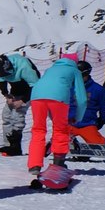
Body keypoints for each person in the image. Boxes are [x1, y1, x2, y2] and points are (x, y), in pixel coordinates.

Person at [25, 54, 88, 185]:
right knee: (60, 130)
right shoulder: (75, 70)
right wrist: (78, 118)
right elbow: (81, 99)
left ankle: (34, 165)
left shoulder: (50, 69)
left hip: (36, 96)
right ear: (75, 62)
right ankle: (58, 164)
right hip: (59, 98)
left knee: (38, 130)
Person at [0, 53, 41, 155]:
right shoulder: (1, 69)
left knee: (17, 115)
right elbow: (1, 82)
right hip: (15, 89)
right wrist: (6, 95)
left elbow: (36, 86)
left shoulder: (24, 66)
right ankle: (8, 145)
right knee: (6, 115)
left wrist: (23, 101)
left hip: (29, 90)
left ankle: (16, 147)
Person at [67, 61, 105, 145]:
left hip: (87, 124)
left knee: (98, 145)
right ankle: (72, 142)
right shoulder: (69, 87)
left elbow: (103, 106)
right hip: (70, 123)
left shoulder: (98, 89)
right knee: (58, 141)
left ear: (87, 74)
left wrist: (102, 119)